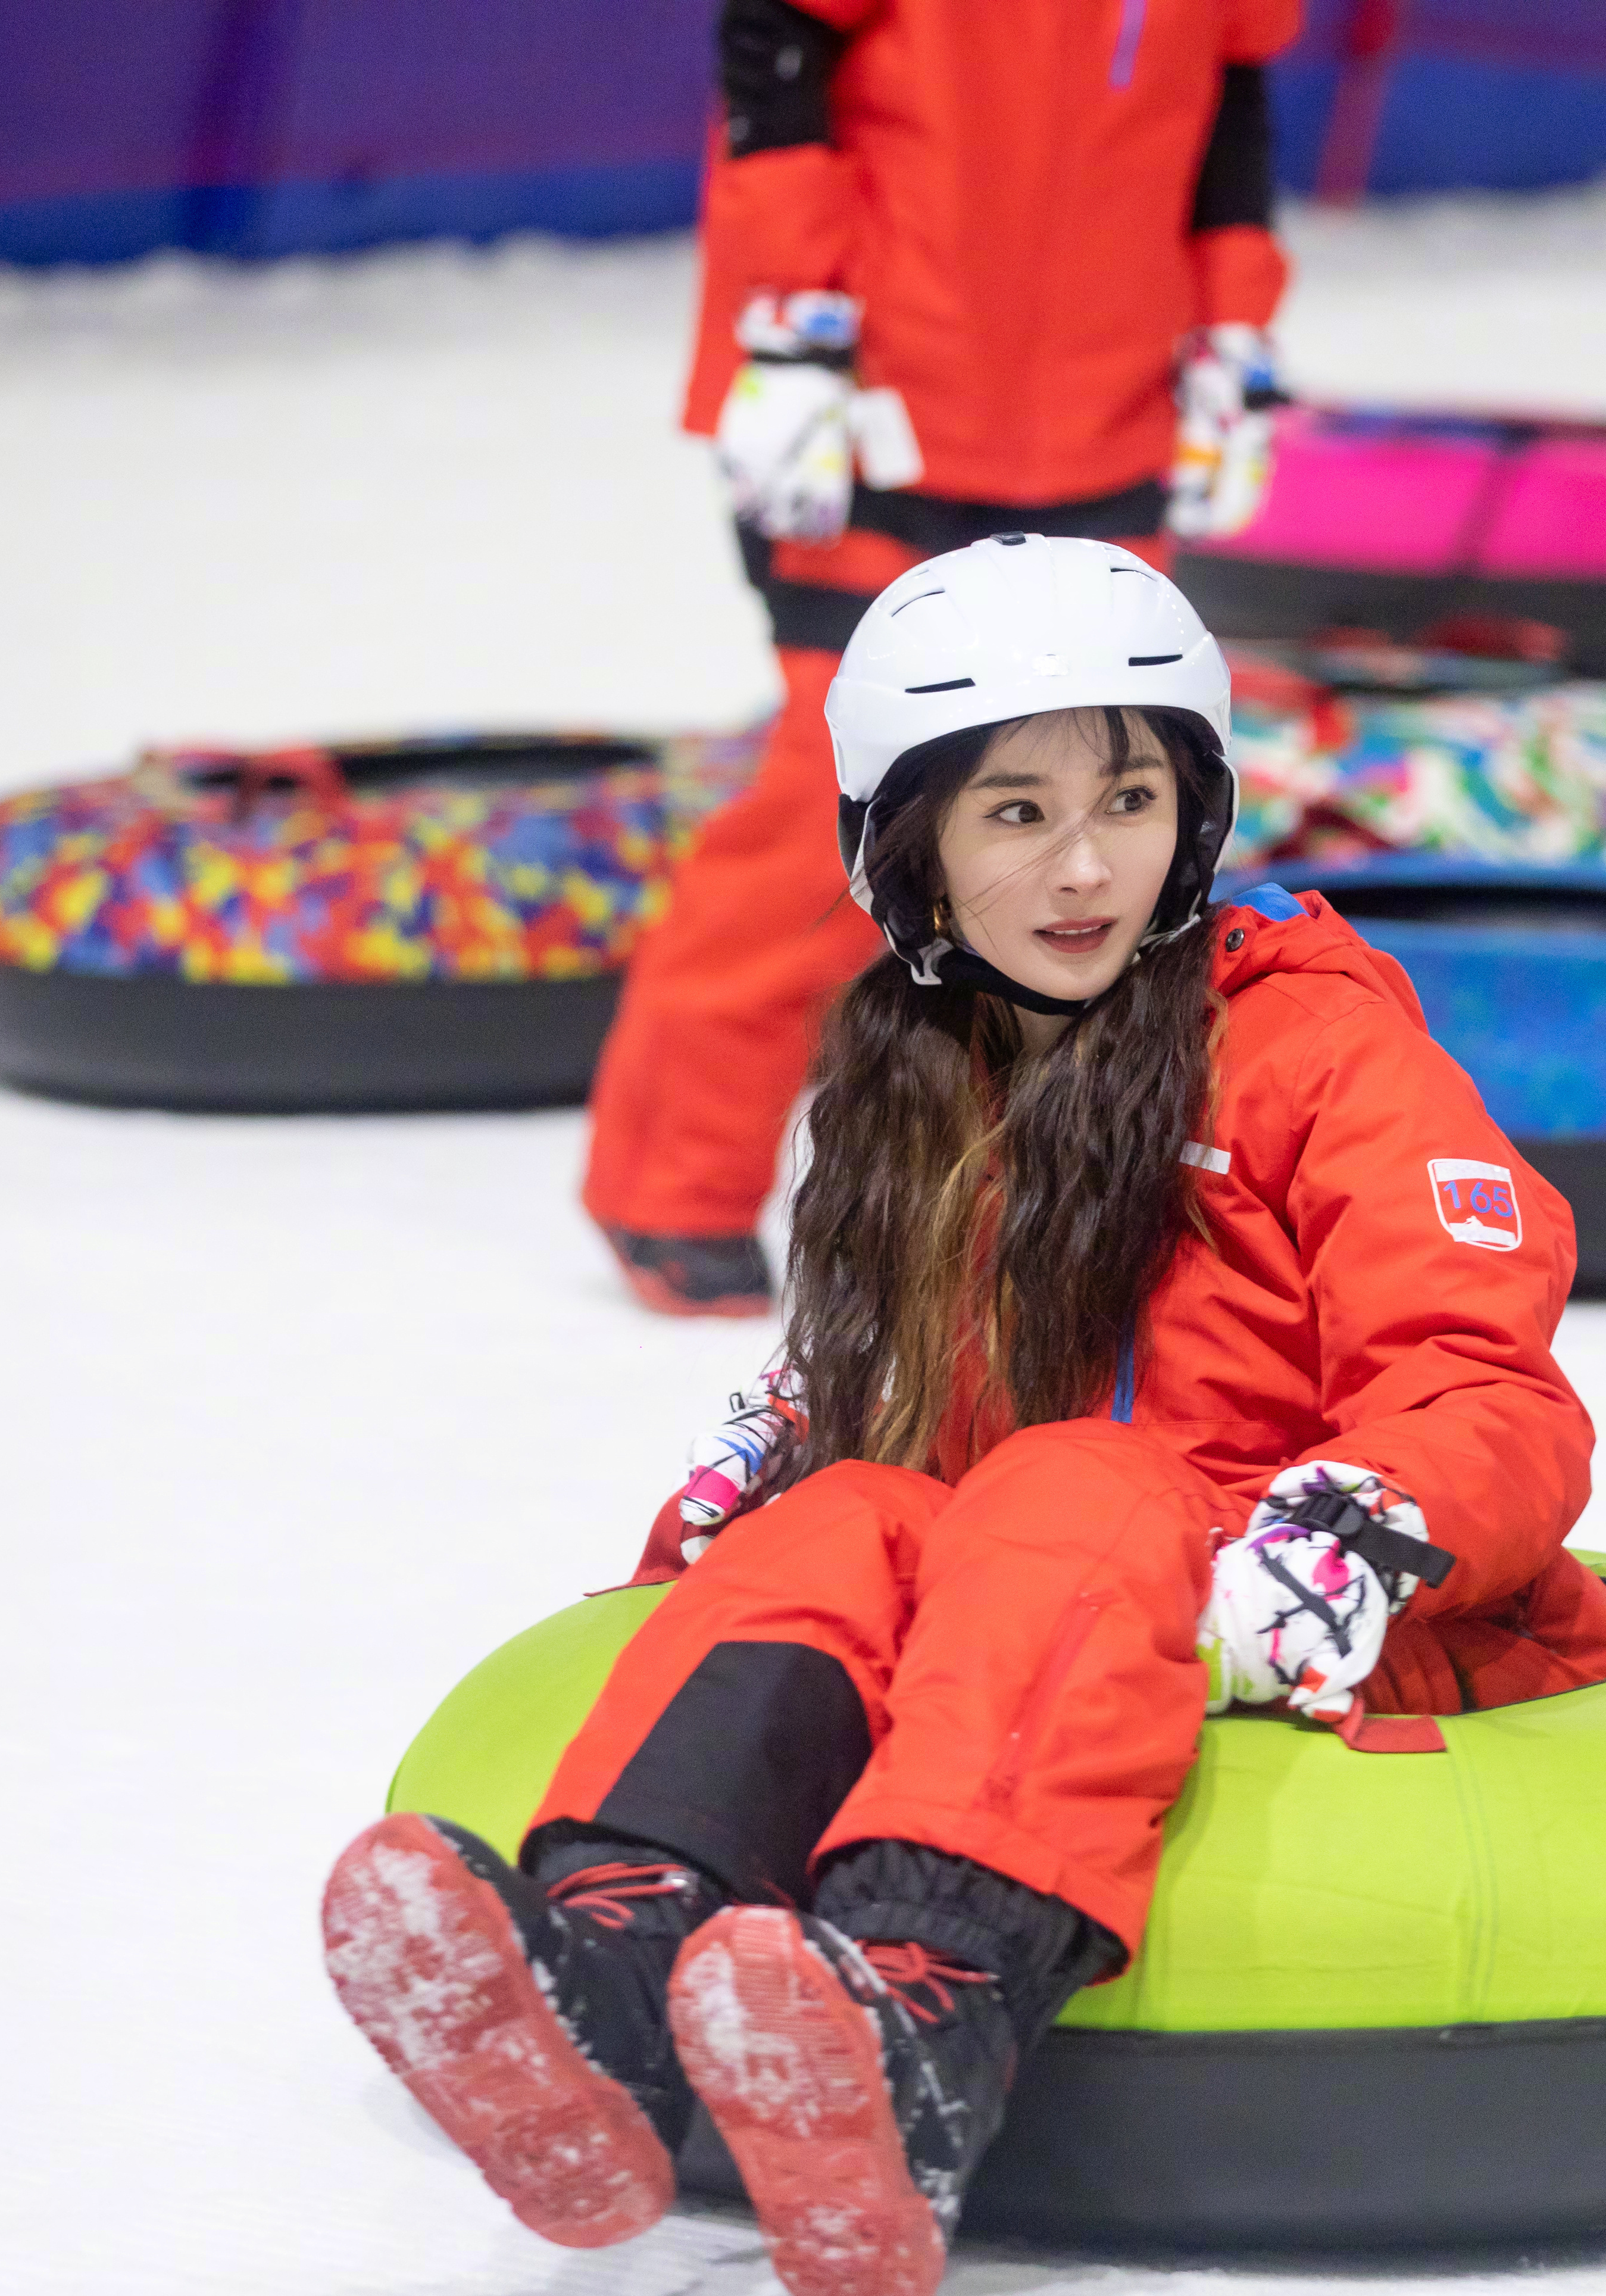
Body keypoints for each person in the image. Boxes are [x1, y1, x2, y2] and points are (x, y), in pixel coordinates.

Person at [324, 538, 1606, 2296]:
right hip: (1044, 1627)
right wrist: (725, 1534)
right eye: (1015, 814)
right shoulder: (920, 1082)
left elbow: (1481, 1379)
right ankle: (617, 1981)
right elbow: (889, 1447)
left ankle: (925, 2013)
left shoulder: (1318, 1057)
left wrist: (1341, 1549)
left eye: (1132, 796)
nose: (1089, 864)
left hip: (1334, 1631)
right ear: (914, 850)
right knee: (853, 1506)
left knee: (1071, 1485)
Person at [581, 0, 1303, 1317]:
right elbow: (775, 51)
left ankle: (1060, 1226)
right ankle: (673, 1181)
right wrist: (792, 320)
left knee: (1105, 834)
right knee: (836, 810)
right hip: (872, 408)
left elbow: (1232, 106)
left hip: (1109, 415)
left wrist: (1234, 332)